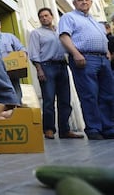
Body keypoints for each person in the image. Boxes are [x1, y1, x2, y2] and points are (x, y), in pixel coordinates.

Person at [59, 0, 114, 140]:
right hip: (84, 58)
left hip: (103, 59)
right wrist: (76, 53)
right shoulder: (69, 17)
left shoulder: (95, 21)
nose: (84, 2)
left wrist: (107, 52)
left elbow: (103, 38)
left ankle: (109, 128)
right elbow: (64, 37)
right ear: (74, 3)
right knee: (89, 95)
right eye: (80, 0)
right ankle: (94, 129)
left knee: (108, 95)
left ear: (91, 2)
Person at [28, 7, 84, 140]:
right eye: (41, 16)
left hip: (62, 66)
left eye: (46, 15)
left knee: (65, 99)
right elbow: (34, 53)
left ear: (52, 16)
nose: (44, 18)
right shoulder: (36, 33)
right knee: (48, 100)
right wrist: (39, 69)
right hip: (47, 67)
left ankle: (65, 130)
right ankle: (49, 129)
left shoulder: (60, 32)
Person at [0, 17, 27, 105]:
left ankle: (17, 110)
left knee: (15, 92)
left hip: (11, 71)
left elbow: (21, 49)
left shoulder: (9, 37)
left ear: (0, 26)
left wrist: (23, 55)